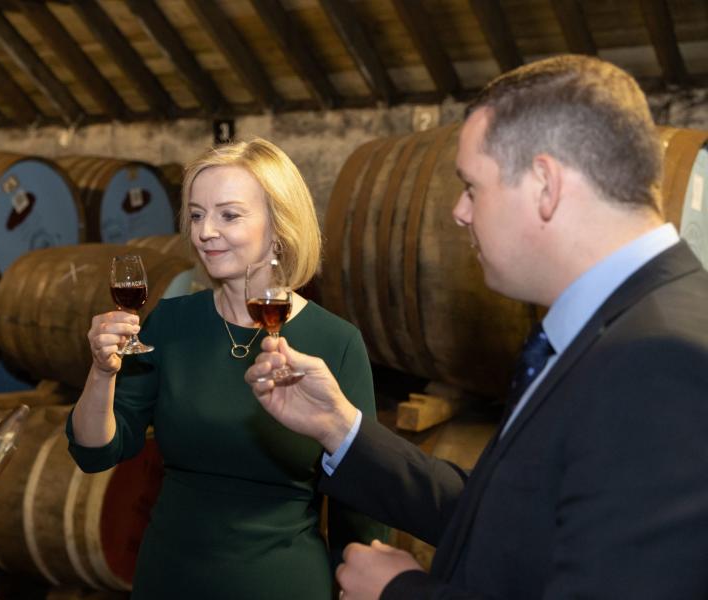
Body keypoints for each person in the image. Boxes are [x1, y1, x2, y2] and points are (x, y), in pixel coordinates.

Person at [245, 54, 708, 599]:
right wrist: (339, 426)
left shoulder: (662, 360)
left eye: (472, 186)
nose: (459, 212)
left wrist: (400, 593)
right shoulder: (621, 320)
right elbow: (507, 518)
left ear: (545, 185)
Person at [66, 138, 388, 598]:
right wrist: (101, 372)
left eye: (228, 215)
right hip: (169, 579)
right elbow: (96, 452)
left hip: (281, 584)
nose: (205, 232)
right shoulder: (172, 323)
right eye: (196, 215)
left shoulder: (335, 343)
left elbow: (362, 503)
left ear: (278, 227)